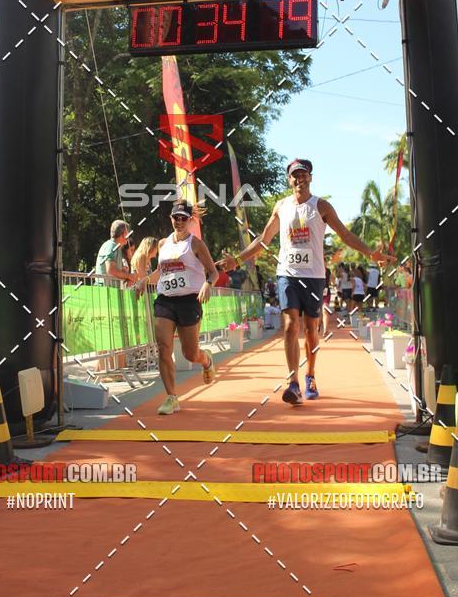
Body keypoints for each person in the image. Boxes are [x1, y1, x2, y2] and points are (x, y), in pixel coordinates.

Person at [218, 158, 395, 405]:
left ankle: (310, 374)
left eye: (303, 175)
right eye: (294, 176)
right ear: (289, 180)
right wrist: (236, 260)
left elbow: (344, 234)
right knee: (290, 325)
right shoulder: (281, 206)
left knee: (311, 330)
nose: (299, 179)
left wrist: (369, 253)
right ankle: (293, 382)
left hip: (313, 277)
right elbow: (263, 240)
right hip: (287, 274)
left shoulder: (321, 206)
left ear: (310, 178)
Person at [136, 200, 220, 415]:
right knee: (164, 347)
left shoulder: (196, 244)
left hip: (189, 301)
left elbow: (213, 272)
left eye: (184, 218)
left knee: (190, 353)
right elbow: (161, 273)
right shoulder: (163, 244)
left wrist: (208, 284)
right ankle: (172, 397)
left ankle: (206, 359)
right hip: (165, 300)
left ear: (190, 220)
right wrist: (144, 281)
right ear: (171, 218)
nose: (179, 222)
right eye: (176, 218)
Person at [95, 220, 136, 285]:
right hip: (104, 290)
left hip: (110, 290)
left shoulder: (116, 247)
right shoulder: (111, 246)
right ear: (124, 233)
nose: (129, 237)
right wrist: (129, 276)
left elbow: (115, 271)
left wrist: (125, 275)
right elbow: (111, 270)